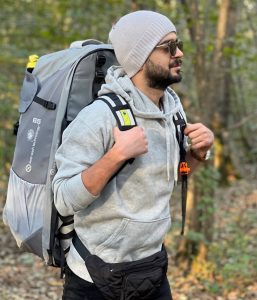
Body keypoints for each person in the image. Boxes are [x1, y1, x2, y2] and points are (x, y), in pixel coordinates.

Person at [52, 10, 214, 300]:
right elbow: (63, 198)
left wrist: (197, 156)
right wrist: (116, 156)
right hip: (94, 279)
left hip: (152, 270)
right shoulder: (98, 117)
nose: (180, 53)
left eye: (177, 44)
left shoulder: (173, 112)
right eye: (168, 47)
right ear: (140, 56)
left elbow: (172, 176)